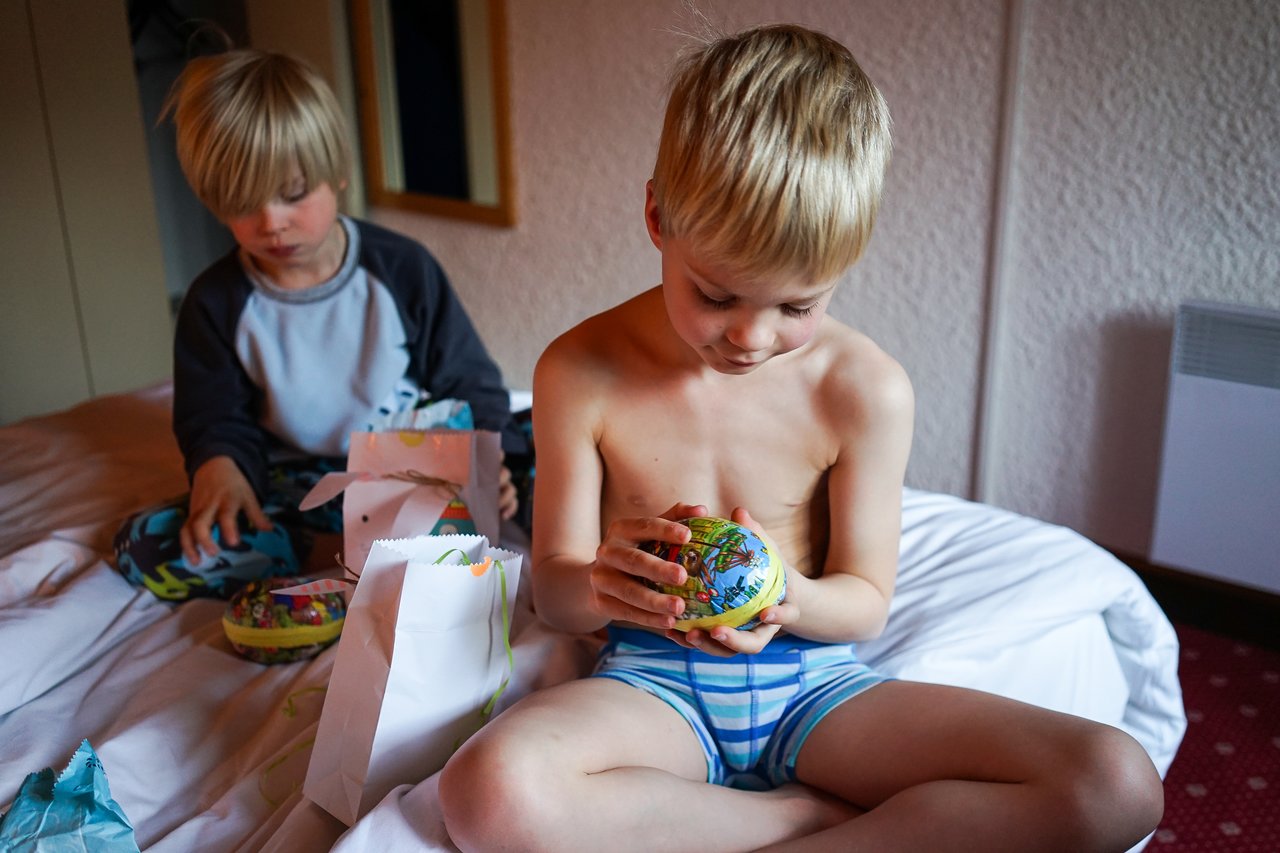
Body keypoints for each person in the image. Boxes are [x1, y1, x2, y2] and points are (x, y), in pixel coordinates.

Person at [438, 23, 1163, 852]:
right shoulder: (579, 370)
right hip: (650, 689)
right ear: (657, 216)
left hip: (817, 688)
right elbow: (555, 595)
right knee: (486, 791)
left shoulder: (865, 389)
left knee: (1116, 781)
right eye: (715, 295)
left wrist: (788, 595)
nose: (750, 338)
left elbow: (865, 601)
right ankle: (801, 820)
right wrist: (606, 582)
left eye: (796, 306)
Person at [113, 48, 522, 601]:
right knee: (145, 546)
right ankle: (346, 552)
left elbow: (469, 381)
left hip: (407, 470)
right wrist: (219, 466)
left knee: (551, 456)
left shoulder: (401, 268)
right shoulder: (215, 302)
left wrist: (485, 463)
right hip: (300, 485)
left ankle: (391, 546)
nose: (271, 222)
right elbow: (214, 417)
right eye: (243, 203)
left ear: (339, 173)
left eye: (293, 194)